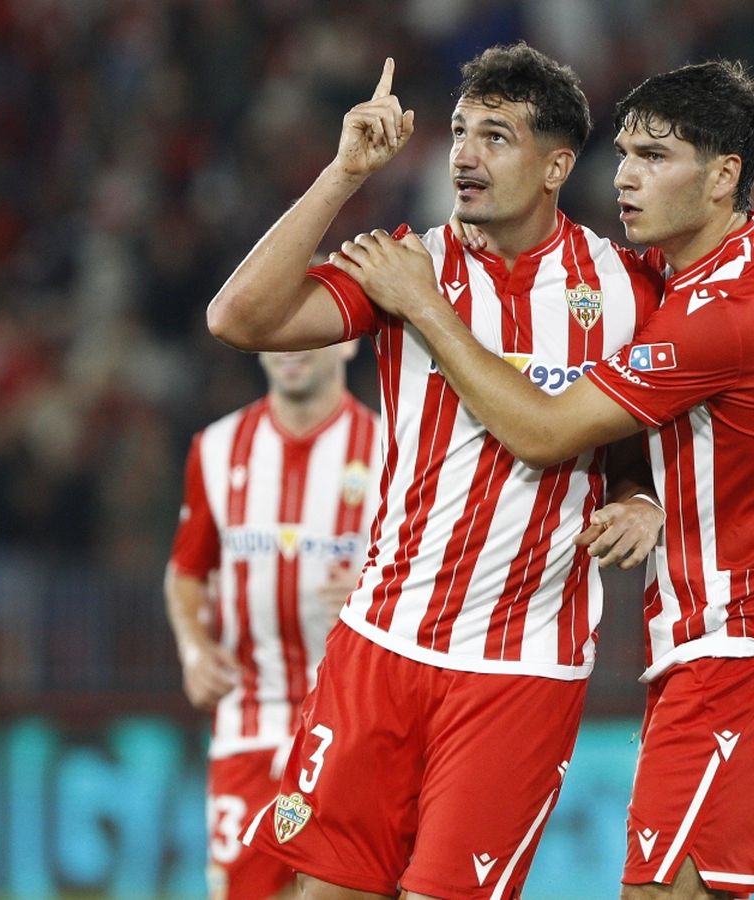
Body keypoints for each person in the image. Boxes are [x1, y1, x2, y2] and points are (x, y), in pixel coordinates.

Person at [334, 60, 754, 899]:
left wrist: (425, 306)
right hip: (725, 642)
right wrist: (640, 494)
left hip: (741, 644)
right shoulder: (732, 264)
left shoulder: (722, 313)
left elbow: (543, 432)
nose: (626, 177)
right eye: (627, 153)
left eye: (655, 157)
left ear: (723, 178)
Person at [206, 44, 663, 899]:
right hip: (381, 640)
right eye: (458, 132)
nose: (464, 154)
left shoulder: (624, 286)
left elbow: (640, 441)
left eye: (495, 136)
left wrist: (643, 500)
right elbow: (239, 317)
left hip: (520, 669)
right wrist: (344, 175)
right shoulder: (407, 264)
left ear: (557, 163)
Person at [166, 343, 382, 899]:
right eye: (275, 336)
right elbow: (187, 571)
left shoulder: (391, 448)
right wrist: (193, 648)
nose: (290, 351)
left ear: (348, 340)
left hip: (354, 726)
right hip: (248, 720)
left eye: (307, 335)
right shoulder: (216, 448)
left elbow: (435, 572)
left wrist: (371, 592)